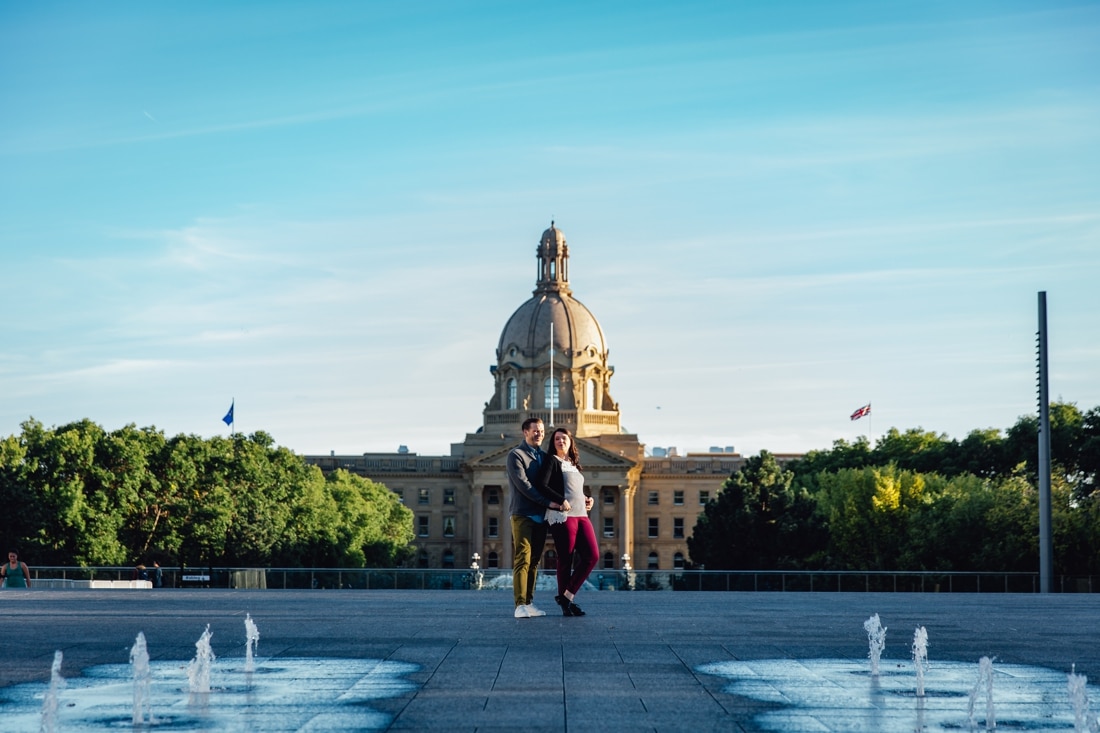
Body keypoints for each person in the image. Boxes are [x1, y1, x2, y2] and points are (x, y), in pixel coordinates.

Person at [506, 417, 570, 618]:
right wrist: (549, 503)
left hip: (541, 516)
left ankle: (529, 602)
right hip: (523, 513)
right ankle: (519, 605)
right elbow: (524, 486)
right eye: (535, 431)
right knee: (522, 558)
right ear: (525, 432)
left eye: (541, 431)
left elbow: (554, 485)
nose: (539, 434)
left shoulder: (544, 457)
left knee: (534, 561)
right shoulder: (516, 455)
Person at [537, 427, 598, 616]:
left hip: (581, 515)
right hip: (564, 516)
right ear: (553, 443)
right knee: (566, 559)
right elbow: (542, 484)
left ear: (571, 442)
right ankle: (566, 605)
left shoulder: (573, 463)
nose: (561, 441)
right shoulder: (551, 461)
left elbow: (574, 490)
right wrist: (560, 501)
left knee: (592, 555)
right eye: (557, 439)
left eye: (564, 438)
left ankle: (566, 596)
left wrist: (587, 499)